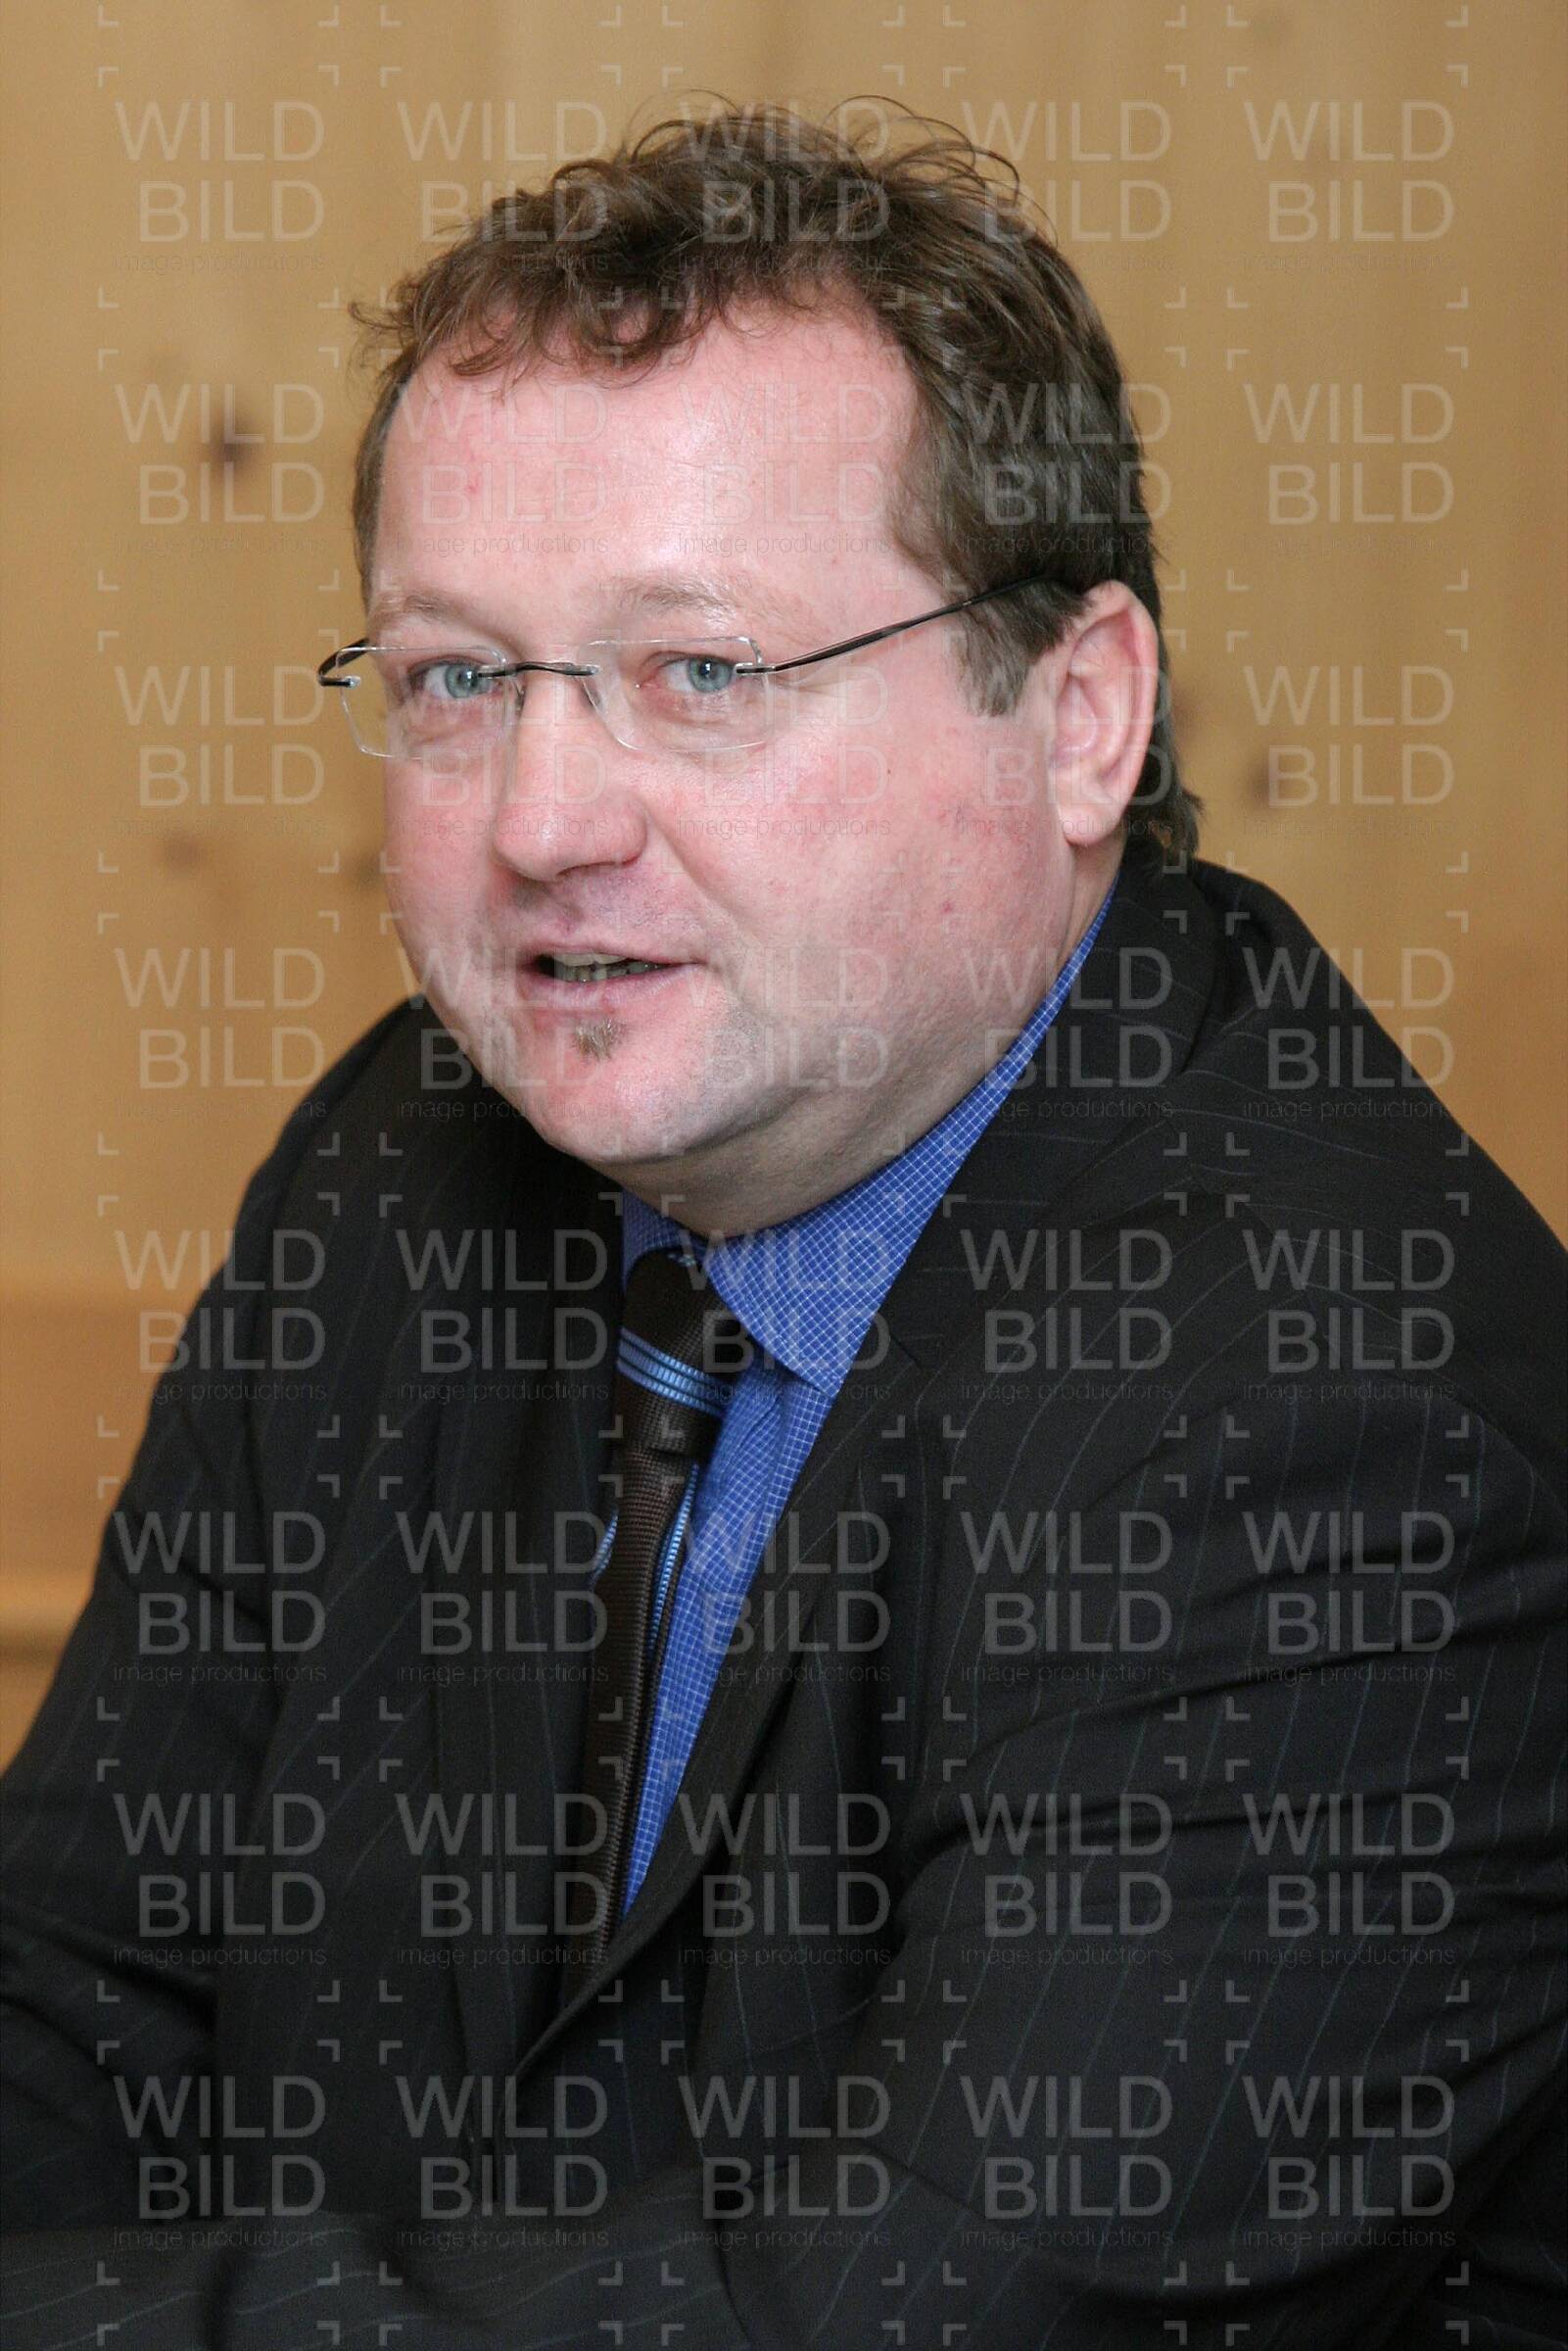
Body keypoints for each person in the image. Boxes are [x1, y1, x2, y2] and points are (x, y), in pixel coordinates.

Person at [3, 101, 1564, 2351]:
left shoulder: (1343, 1416)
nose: (543, 820)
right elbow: (74, 2007)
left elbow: (897, 2314)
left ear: (1080, 716)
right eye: (457, 679)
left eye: (703, 674)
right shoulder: (403, 1171)